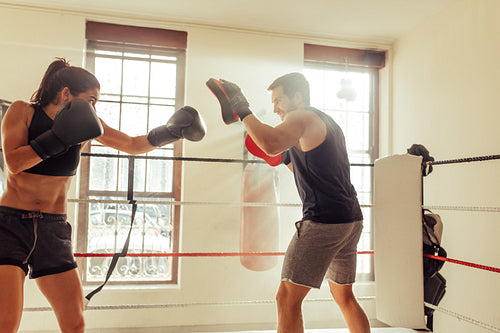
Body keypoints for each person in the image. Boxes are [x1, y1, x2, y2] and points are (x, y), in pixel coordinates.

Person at [0, 58, 205, 333]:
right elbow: (14, 162)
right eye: (91, 99)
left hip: (53, 227)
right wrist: (59, 137)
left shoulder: (88, 123)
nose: (94, 108)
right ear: (65, 93)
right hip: (11, 225)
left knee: (75, 322)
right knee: (5, 322)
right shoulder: (22, 111)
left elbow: (131, 144)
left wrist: (170, 132)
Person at [207, 73, 370, 333]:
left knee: (286, 298)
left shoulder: (301, 117)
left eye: (279, 100)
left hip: (323, 222)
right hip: (350, 220)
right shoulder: (323, 122)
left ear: (298, 97)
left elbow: (271, 143)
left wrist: (241, 107)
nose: (275, 108)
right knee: (345, 297)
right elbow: (307, 169)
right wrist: (284, 158)